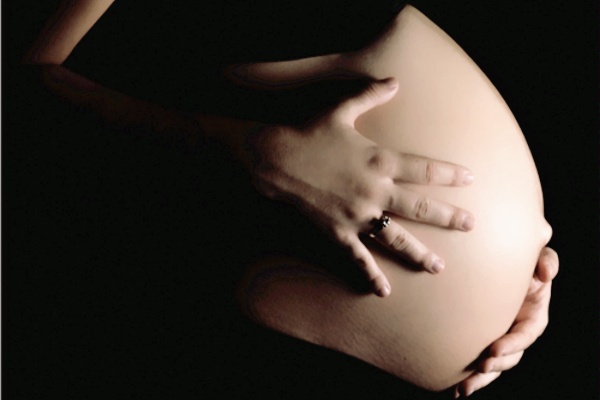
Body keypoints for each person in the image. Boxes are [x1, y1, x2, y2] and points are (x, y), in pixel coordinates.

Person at [14, 1, 558, 398]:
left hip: (457, 356)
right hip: (265, 323)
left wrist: (520, 274)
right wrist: (248, 151)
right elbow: (19, 91)